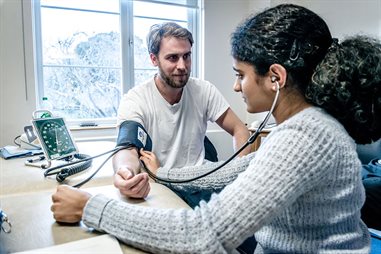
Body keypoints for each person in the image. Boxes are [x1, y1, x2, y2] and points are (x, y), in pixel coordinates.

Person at [51, 4, 381, 253]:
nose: (236, 87)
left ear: (276, 77)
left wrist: (90, 207)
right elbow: (233, 171)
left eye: (240, 75)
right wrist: (164, 174)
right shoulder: (302, 127)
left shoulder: (306, 136)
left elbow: (202, 235)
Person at [112, 22, 251, 204]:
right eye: (172, 58)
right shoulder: (135, 100)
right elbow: (127, 148)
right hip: (162, 185)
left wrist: (237, 173)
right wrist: (126, 172)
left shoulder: (204, 90)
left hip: (201, 184)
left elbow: (240, 130)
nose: (182, 66)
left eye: (186, 56)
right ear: (154, 59)